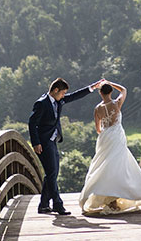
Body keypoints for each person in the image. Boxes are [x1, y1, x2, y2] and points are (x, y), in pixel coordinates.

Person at [78, 79, 141, 215]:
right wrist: (109, 82)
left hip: (105, 138)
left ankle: (108, 197)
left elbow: (98, 129)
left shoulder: (97, 109)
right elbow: (124, 90)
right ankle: (116, 196)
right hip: (117, 137)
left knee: (104, 164)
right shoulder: (116, 104)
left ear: (100, 93)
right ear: (110, 91)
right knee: (119, 163)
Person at [29, 77, 102, 215]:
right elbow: (32, 123)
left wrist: (92, 87)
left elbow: (74, 96)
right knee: (51, 173)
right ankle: (57, 204)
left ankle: (44, 205)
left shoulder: (58, 100)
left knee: (53, 173)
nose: (63, 96)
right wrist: (36, 143)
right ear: (56, 90)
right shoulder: (41, 103)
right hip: (44, 143)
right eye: (62, 93)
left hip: (53, 141)